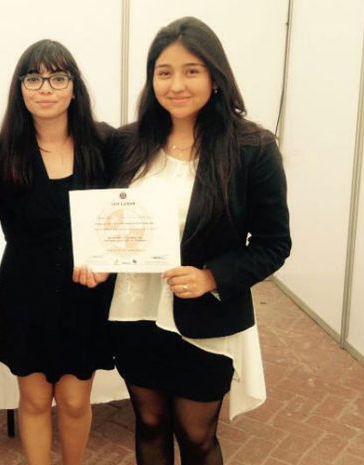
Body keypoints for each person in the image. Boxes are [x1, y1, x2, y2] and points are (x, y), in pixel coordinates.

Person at [108, 17, 291, 465]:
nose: (176, 84)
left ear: (214, 76)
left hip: (205, 318)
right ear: (151, 80)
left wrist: (213, 277)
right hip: (134, 313)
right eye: (164, 72)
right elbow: (108, 221)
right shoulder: (128, 143)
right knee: (149, 425)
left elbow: (274, 243)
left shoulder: (251, 147)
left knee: (196, 436)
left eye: (191, 70)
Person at [0, 39, 115, 465]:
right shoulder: (1, 154)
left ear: (74, 87)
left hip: (87, 291)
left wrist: (109, 265)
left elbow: (124, 222)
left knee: (76, 401)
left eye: (58, 77)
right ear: (20, 88)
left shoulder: (105, 144)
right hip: (26, 292)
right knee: (36, 399)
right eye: (34, 78)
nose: (46, 88)